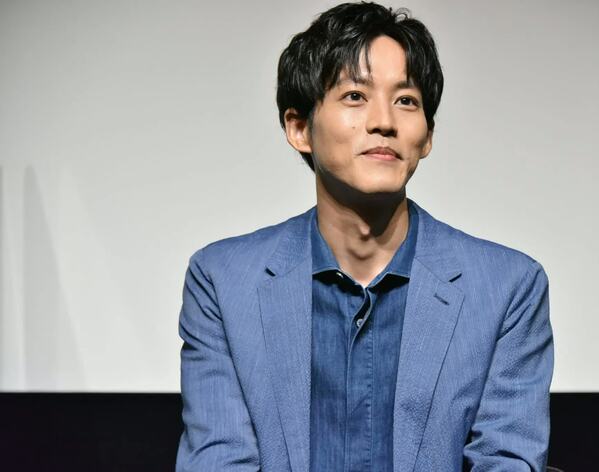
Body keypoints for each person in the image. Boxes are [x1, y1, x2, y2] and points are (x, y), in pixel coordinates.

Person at [176, 2, 554, 471]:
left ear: (427, 136)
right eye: (355, 95)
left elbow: (506, 460)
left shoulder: (508, 286)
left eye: (406, 100)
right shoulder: (223, 280)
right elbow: (219, 461)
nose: (384, 122)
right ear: (299, 128)